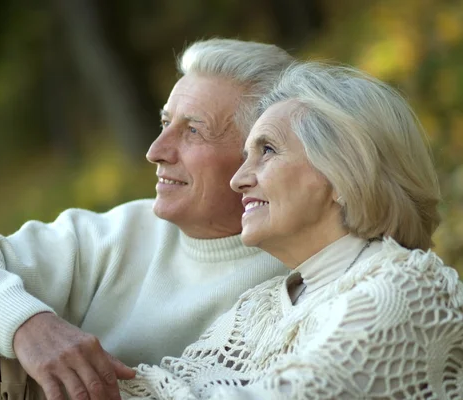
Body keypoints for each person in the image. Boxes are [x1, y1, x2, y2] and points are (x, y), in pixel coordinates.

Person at [0, 39, 294, 400]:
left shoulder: (312, 260)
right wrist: (25, 325)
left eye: (192, 131)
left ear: (263, 153)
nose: (156, 150)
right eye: (164, 123)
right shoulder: (117, 234)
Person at [118, 62, 463, 399]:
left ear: (344, 176)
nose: (238, 181)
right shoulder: (258, 308)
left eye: (266, 150)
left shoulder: (405, 288)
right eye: (245, 156)